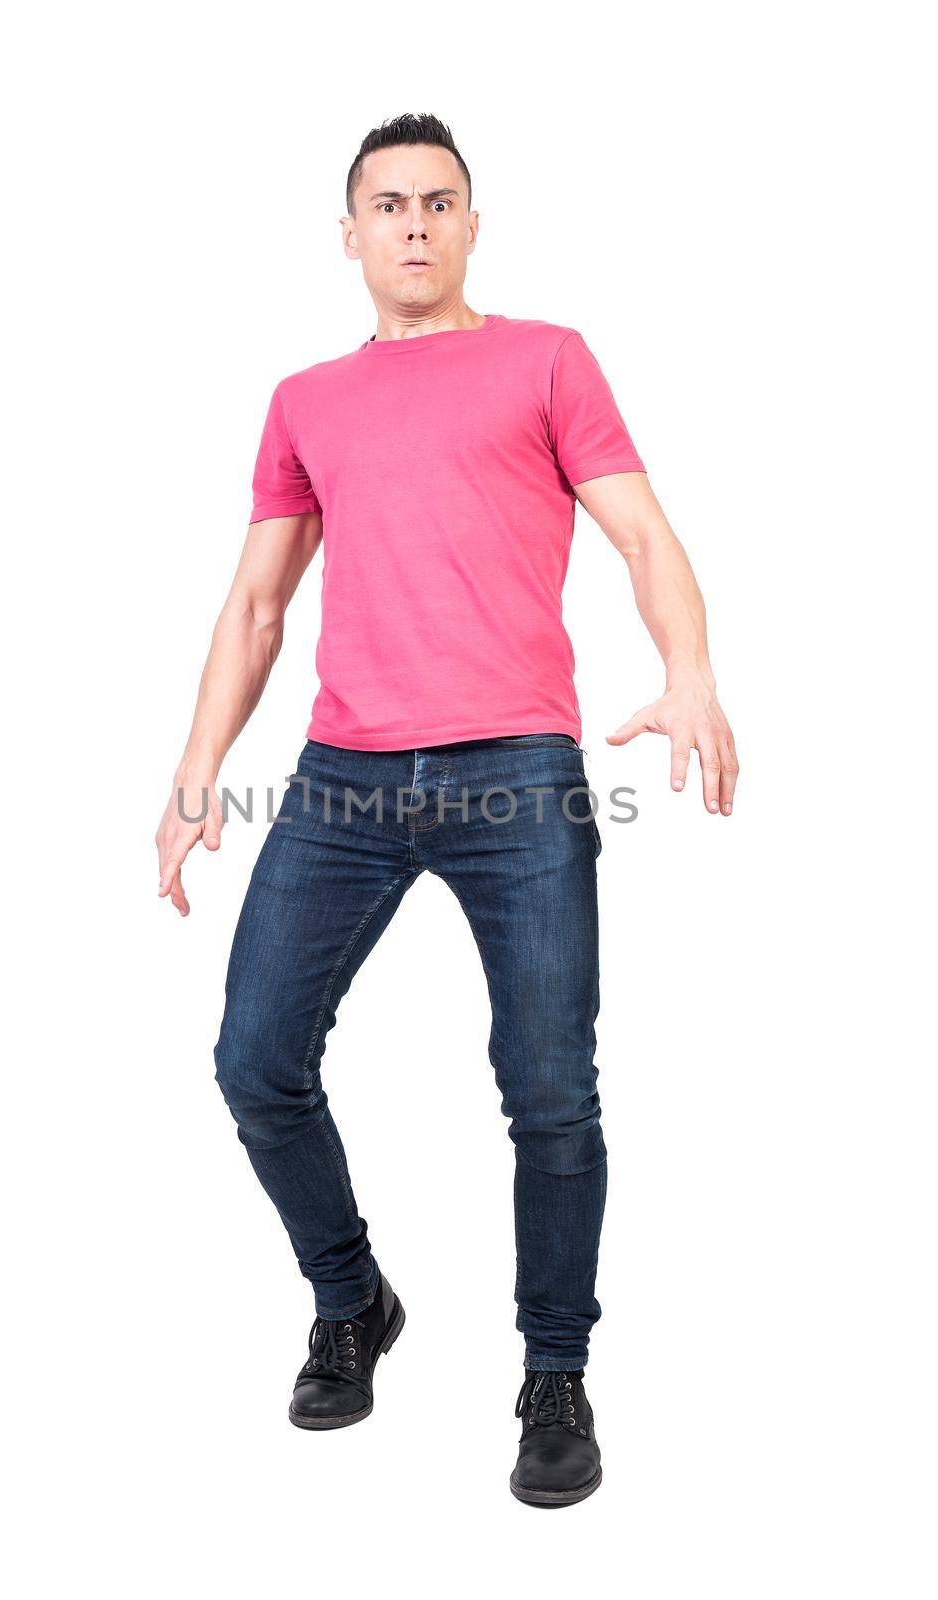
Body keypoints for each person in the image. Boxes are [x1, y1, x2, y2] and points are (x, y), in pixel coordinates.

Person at [155, 112, 738, 1508]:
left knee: (549, 1092)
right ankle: (352, 1299)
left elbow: (645, 533)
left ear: (473, 225)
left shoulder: (547, 358)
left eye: (439, 202)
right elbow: (255, 603)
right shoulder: (306, 399)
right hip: (344, 780)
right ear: (348, 235)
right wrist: (191, 774)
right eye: (387, 205)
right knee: (253, 1059)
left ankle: (554, 1379)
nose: (414, 224)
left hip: (516, 774)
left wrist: (693, 672)